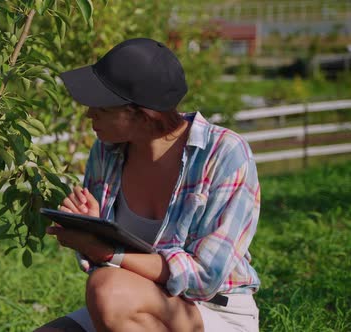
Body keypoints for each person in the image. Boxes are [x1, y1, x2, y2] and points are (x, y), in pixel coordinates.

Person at [36, 38, 261, 332]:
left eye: (101, 108)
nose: (89, 114)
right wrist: (90, 227)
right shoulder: (106, 151)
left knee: (107, 289)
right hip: (133, 301)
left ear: (142, 114)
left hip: (213, 309)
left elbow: (206, 276)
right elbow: (104, 256)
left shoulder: (224, 154)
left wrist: (105, 252)